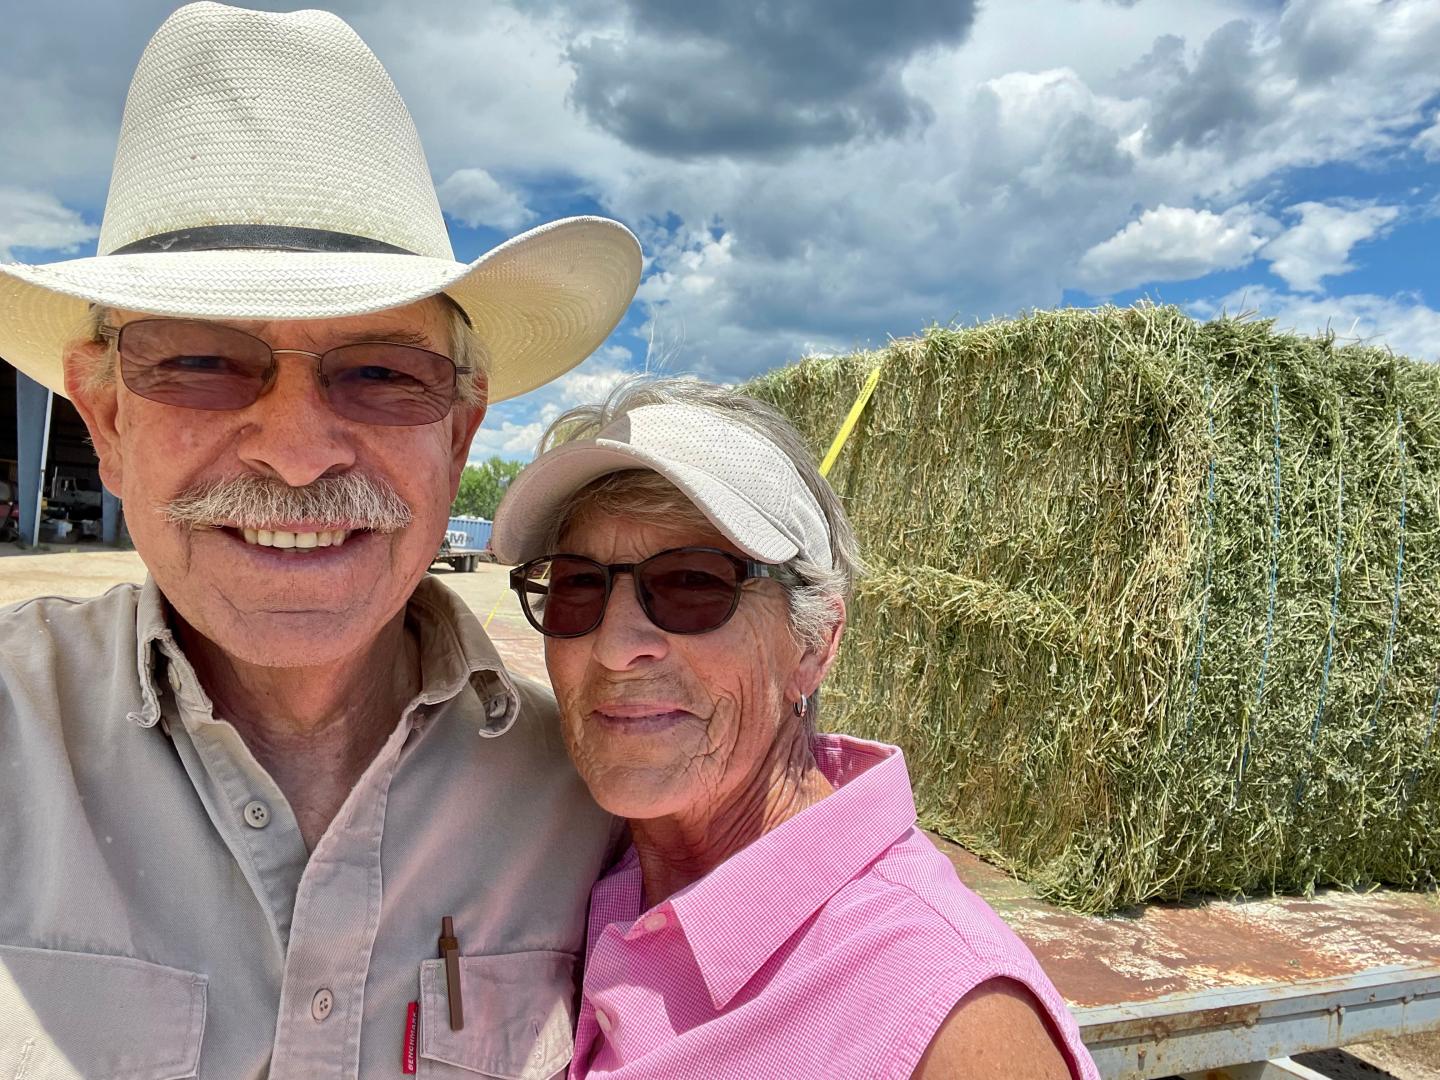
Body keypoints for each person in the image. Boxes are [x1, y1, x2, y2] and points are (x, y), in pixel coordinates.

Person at [0, 5, 640, 1078]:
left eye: (383, 373)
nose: (297, 456)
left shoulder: (596, 795)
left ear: (460, 431)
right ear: (105, 424)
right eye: (202, 363)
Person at [490, 379, 1102, 1079]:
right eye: (576, 584)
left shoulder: (948, 1019)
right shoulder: (581, 866)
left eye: (694, 583)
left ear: (816, 644)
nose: (614, 646)